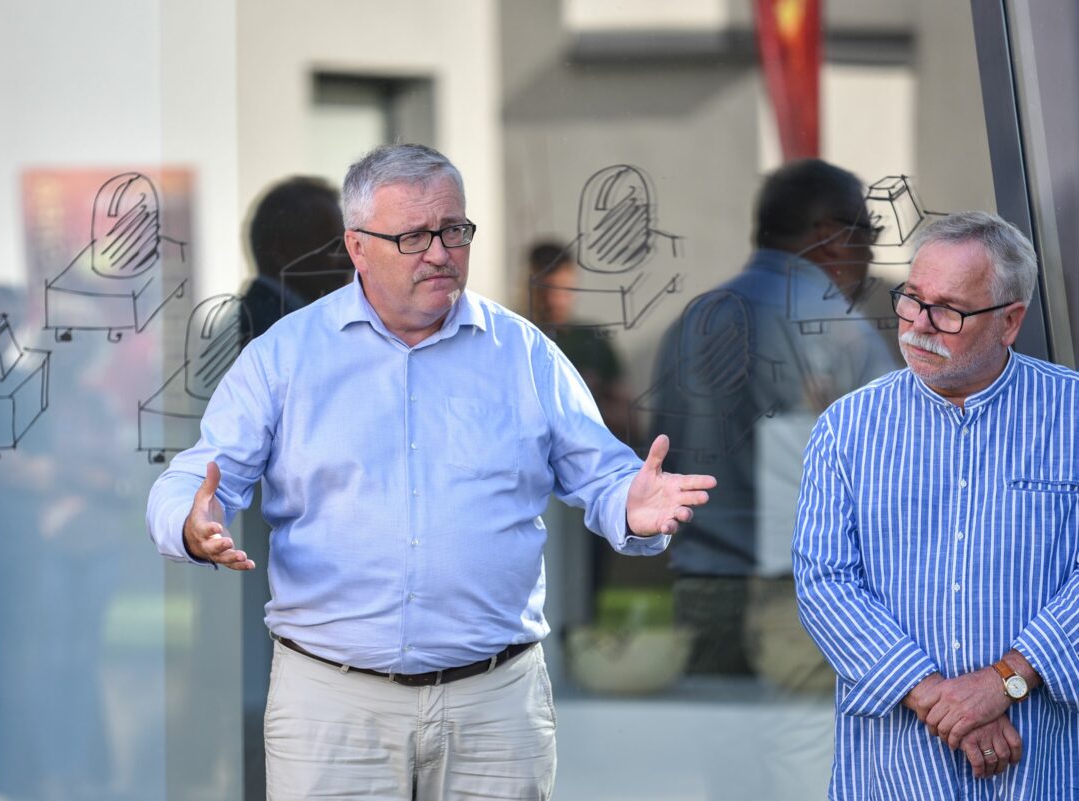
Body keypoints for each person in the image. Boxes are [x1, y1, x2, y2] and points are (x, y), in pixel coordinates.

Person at [147, 143, 716, 800]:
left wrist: (631, 507)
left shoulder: (523, 353)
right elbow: (192, 479)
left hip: (495, 705)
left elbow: (605, 478)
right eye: (414, 236)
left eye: (454, 230)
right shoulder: (285, 357)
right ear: (357, 247)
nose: (441, 252)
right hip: (333, 706)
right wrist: (190, 522)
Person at [794, 211, 1079, 798]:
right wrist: (934, 696)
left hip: (1042, 763)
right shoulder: (848, 428)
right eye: (912, 299)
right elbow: (824, 581)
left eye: (948, 310)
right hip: (894, 768)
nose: (918, 325)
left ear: (1010, 321)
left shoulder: (1070, 414)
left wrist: (1006, 681)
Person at [650, 159, 897, 679]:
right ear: (830, 236)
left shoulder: (690, 323)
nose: (872, 253)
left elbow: (657, 461)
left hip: (701, 584)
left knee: (711, 729)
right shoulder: (841, 329)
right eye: (866, 234)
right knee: (805, 731)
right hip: (804, 595)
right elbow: (892, 469)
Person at [527, 240, 637, 443]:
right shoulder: (518, 337)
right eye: (548, 290)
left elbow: (627, 415)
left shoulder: (592, 340)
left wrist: (588, 408)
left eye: (564, 289)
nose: (556, 300)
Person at [241, 175, 350, 336]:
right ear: (282, 251)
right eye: (333, 245)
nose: (349, 260)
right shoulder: (272, 329)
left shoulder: (262, 318)